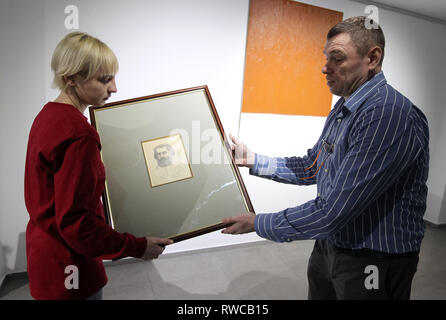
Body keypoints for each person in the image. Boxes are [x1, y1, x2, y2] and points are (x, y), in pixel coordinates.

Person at [222, 16, 429, 300]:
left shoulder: (387, 114)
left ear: (372, 57)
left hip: (373, 260)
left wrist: (258, 223)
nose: (324, 68)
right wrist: (253, 160)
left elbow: (333, 211)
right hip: (331, 246)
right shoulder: (345, 107)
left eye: (337, 58)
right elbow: (312, 166)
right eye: (326, 57)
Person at [24, 32, 173, 300]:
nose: (114, 88)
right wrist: (137, 246)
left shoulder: (47, 115)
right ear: (71, 79)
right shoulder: (77, 132)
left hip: (47, 260)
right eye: (104, 80)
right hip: (71, 269)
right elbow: (77, 224)